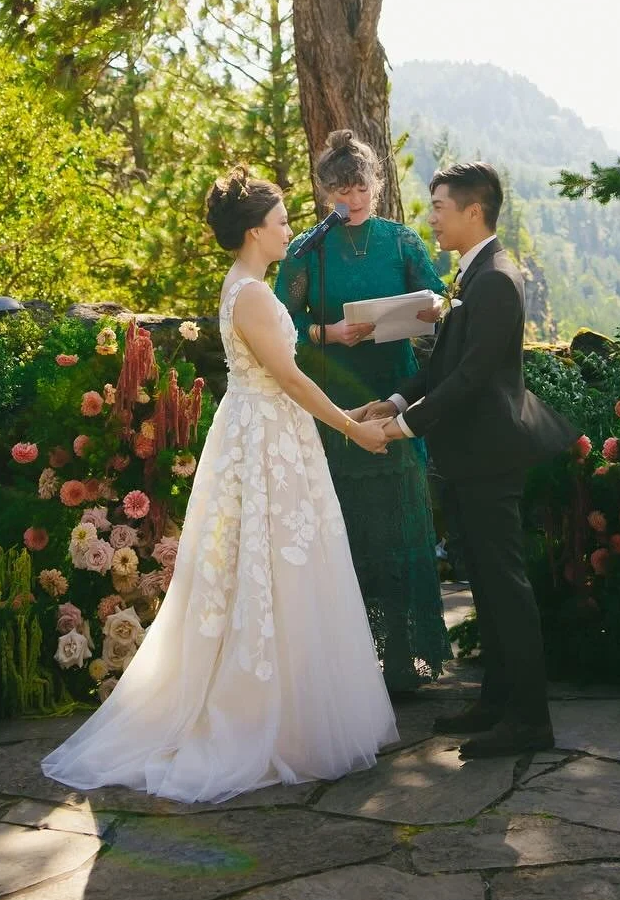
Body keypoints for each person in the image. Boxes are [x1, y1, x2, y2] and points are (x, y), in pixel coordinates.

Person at [40, 169, 398, 803]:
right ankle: (264, 718)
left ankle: (284, 706)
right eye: (284, 220)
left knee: (266, 568)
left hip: (264, 432)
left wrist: (352, 412)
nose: (292, 229)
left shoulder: (245, 286)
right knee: (269, 565)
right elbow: (288, 377)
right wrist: (349, 427)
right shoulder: (254, 294)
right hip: (265, 440)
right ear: (256, 230)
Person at [359, 160, 577, 759]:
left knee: (506, 586)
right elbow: (445, 367)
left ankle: (530, 720)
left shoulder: (496, 280)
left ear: (473, 211)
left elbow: (475, 379)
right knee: (484, 581)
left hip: (491, 455)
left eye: (440, 208)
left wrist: (405, 427)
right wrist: (396, 398)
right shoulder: (471, 276)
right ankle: (498, 703)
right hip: (469, 457)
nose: (432, 217)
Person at [274, 130, 453, 697]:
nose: (353, 199)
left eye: (361, 187)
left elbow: (442, 302)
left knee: (398, 533)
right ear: (325, 192)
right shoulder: (307, 251)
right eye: (341, 190)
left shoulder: (400, 242)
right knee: (343, 535)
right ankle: (344, 671)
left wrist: (418, 312)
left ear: (377, 185)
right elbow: (276, 327)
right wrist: (327, 331)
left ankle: (403, 663)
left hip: (392, 394)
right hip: (333, 403)